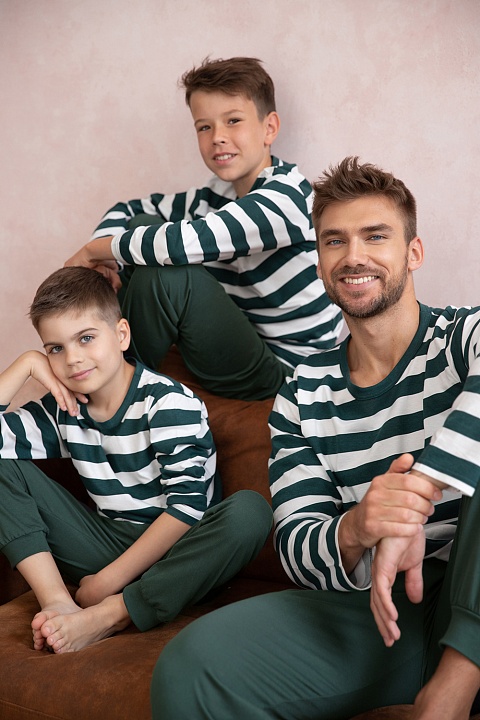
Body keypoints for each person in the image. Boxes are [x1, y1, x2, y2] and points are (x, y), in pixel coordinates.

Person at [150, 157, 480, 720]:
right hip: (381, 611)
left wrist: (417, 494)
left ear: (413, 253)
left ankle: (455, 681)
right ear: (320, 261)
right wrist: (361, 526)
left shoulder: (463, 336)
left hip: (467, 586)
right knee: (191, 666)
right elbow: (299, 545)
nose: (354, 256)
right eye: (334, 241)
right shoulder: (302, 393)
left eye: (376, 236)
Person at [0, 266, 272, 654]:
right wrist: (25, 364)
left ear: (121, 335)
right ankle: (58, 603)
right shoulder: (63, 407)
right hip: (106, 543)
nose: (73, 359)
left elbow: (187, 509)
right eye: (55, 348)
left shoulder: (167, 403)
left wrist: (105, 585)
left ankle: (113, 614)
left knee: (250, 512)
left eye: (86, 338)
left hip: (180, 559)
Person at [63, 56, 343, 401]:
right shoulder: (215, 194)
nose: (218, 138)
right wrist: (106, 258)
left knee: (168, 272)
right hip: (235, 333)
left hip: (283, 368)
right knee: (142, 226)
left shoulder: (288, 197)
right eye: (204, 127)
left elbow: (179, 245)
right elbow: (130, 209)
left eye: (233, 121)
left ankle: (111, 386)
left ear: (269, 127)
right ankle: (103, 360)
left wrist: (92, 251)